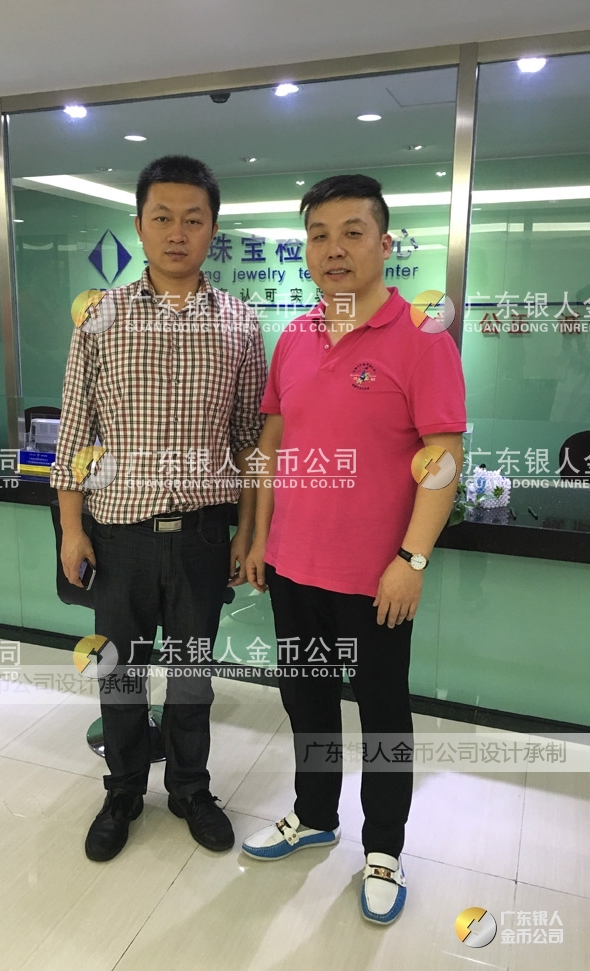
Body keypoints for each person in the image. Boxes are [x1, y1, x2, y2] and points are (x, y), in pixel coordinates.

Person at [243, 174, 466, 924]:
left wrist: (413, 559)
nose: (334, 249)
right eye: (319, 235)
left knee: (383, 714)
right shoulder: (295, 337)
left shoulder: (421, 339)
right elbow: (274, 442)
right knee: (305, 698)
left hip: (377, 579)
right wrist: (260, 538)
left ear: (384, 243)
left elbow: (443, 456)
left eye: (352, 232)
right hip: (293, 567)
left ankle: (385, 849)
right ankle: (314, 814)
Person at [51, 155, 267, 861]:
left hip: (203, 533)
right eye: (163, 218)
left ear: (212, 229)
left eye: (193, 220)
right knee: (120, 673)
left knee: (193, 677)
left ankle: (190, 789)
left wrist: (247, 532)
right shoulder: (99, 318)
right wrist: (72, 529)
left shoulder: (240, 322)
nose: (178, 233)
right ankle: (122, 792)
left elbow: (248, 441)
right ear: (140, 225)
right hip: (120, 534)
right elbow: (74, 434)